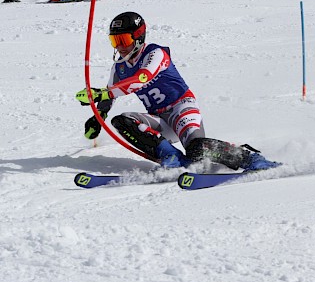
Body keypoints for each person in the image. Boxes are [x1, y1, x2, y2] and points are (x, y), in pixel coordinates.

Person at [76, 12, 279, 171]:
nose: (119, 47)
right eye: (115, 41)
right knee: (122, 121)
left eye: (124, 41)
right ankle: (172, 158)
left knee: (197, 148)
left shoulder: (155, 53)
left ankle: (251, 159)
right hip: (160, 119)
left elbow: (142, 78)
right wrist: (98, 116)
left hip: (181, 109)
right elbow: (110, 94)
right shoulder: (119, 67)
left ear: (138, 37)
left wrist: (103, 93)